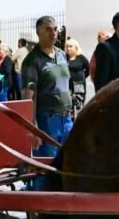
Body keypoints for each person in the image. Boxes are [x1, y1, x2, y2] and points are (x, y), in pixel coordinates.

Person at [21, 16, 72, 180]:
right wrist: (32, 127)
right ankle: (39, 201)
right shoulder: (33, 59)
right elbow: (28, 97)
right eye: (48, 29)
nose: (53, 33)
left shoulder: (62, 54)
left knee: (67, 162)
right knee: (46, 167)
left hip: (66, 118)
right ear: (38, 32)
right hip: (47, 120)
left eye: (55, 29)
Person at [64, 38, 89, 115]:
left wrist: (82, 77)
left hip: (79, 86)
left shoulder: (81, 58)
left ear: (76, 47)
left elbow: (88, 68)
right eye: (67, 46)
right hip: (67, 85)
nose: (68, 48)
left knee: (78, 106)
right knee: (68, 106)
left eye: (70, 46)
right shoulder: (64, 58)